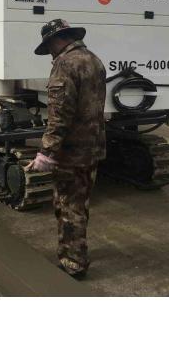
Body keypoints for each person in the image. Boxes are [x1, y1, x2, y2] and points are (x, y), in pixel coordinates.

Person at [26, 19, 107, 278]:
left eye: (49, 47)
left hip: (72, 153)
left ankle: (73, 262)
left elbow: (59, 115)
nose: (50, 53)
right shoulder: (93, 60)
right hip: (92, 147)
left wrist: (46, 152)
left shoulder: (65, 64)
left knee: (68, 205)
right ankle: (77, 248)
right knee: (80, 203)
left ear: (56, 40)